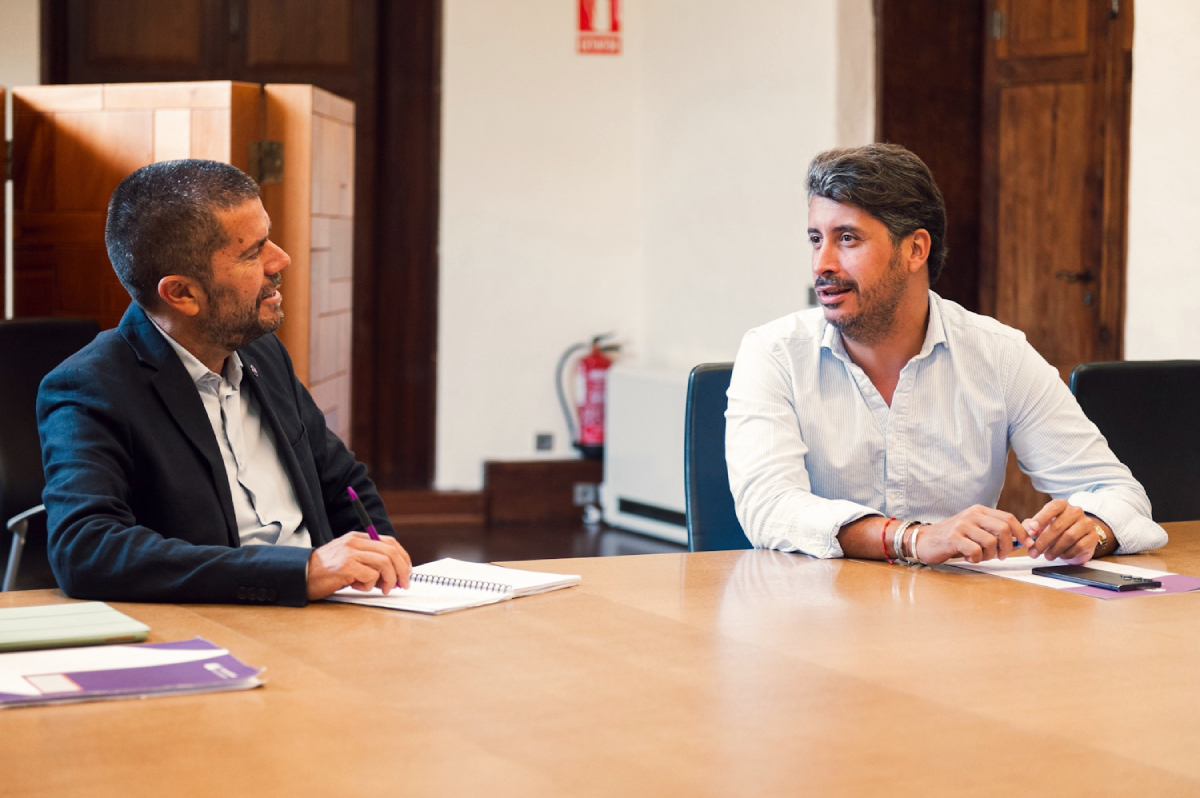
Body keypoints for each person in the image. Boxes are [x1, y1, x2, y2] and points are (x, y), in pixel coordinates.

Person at [725, 143, 1167, 566]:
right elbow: (769, 507)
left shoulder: (999, 354)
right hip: (813, 619)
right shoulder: (773, 353)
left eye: (847, 239)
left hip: (957, 617)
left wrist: (1092, 528)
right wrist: (912, 539)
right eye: (815, 239)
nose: (822, 263)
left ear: (915, 249)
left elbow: (1119, 494)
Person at [38, 159, 412, 605]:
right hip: (222, 620)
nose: (281, 259)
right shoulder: (89, 387)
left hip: (329, 616)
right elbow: (86, 551)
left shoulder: (261, 351)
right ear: (182, 293)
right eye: (253, 252)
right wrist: (299, 571)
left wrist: (385, 572)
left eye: (267, 237)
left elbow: (343, 483)